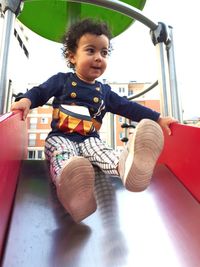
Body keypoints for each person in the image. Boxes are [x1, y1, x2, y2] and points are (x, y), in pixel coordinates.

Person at [11, 18, 177, 223]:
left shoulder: (104, 91)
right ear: (72, 56)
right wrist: (26, 100)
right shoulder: (61, 81)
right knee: (62, 155)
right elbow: (40, 91)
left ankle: (128, 167)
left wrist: (157, 118)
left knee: (104, 152)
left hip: (90, 139)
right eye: (91, 51)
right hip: (61, 136)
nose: (99, 58)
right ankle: (72, 187)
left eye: (104, 52)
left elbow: (128, 107)